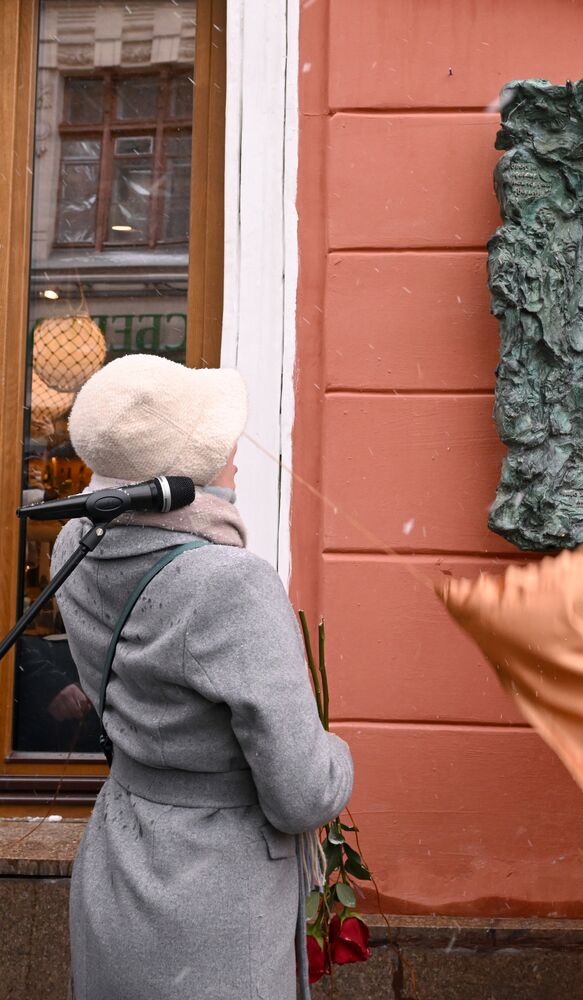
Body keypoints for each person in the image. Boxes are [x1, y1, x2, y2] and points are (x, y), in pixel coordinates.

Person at [52, 354, 353, 1000]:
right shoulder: (231, 584)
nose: (238, 456)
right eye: (224, 442)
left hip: (118, 863)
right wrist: (339, 759)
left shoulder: (73, 544)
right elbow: (301, 793)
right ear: (195, 468)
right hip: (214, 897)